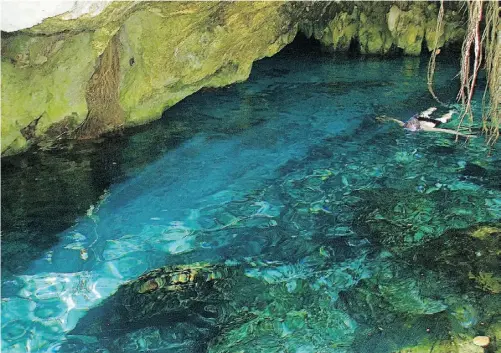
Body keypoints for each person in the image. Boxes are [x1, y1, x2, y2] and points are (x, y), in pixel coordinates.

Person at [377, 107, 477, 138]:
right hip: (429, 120)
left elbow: (445, 130)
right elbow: (445, 130)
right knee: (443, 118)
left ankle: (449, 111)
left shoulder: (420, 127)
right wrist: (465, 135)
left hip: (427, 120)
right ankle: (450, 111)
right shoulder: (420, 126)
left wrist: (386, 118)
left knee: (441, 118)